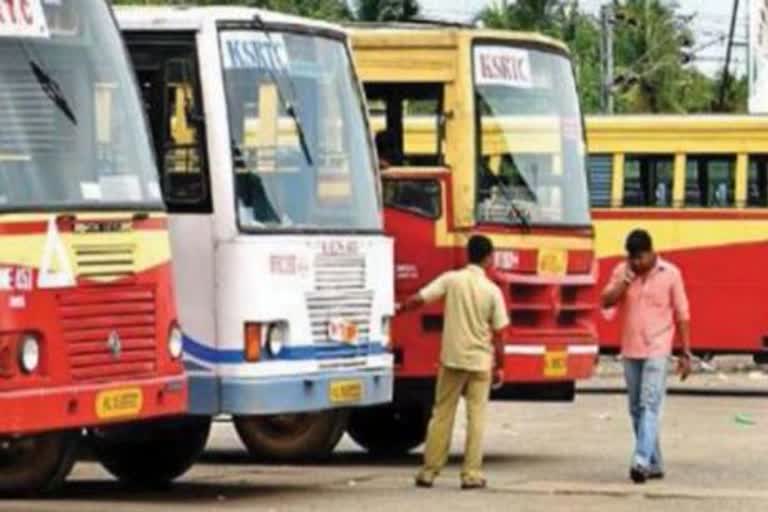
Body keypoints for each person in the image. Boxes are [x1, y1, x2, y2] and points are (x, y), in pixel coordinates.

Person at [400, 234, 509, 490]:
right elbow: (500, 334)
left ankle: (429, 471)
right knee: (476, 417)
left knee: (442, 415)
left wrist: (400, 309)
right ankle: (471, 474)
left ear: (467, 255)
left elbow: (420, 298)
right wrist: (500, 365)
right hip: (481, 363)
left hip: (452, 359)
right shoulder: (492, 291)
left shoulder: (452, 280)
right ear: (489, 258)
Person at [601, 229, 692, 484]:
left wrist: (685, 352)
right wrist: (624, 281)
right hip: (631, 349)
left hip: (658, 349)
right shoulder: (622, 271)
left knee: (650, 403)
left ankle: (640, 460)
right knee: (635, 409)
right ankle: (655, 462)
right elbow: (606, 301)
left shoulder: (671, 274)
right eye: (633, 259)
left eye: (641, 258)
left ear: (652, 252)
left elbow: (682, 313)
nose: (637, 263)